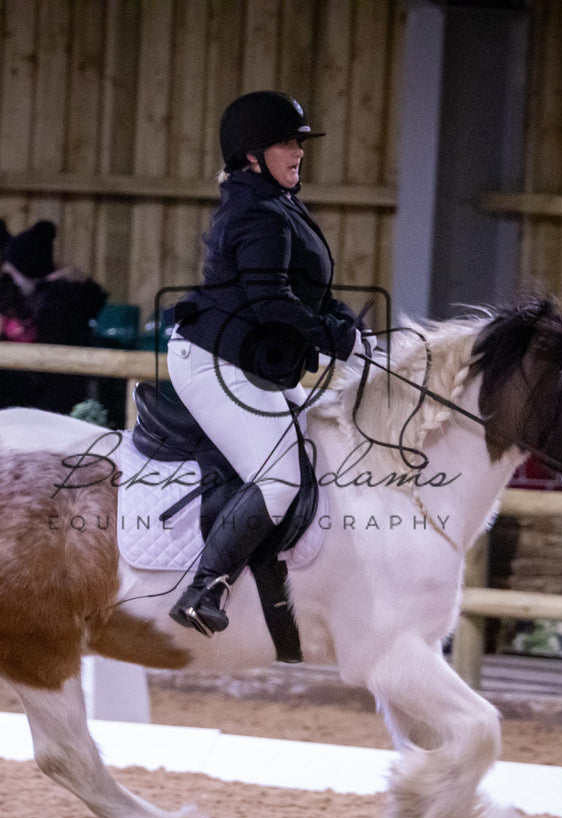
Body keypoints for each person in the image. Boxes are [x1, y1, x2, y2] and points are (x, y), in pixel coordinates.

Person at [166, 90, 367, 635]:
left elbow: (308, 292)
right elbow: (270, 301)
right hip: (215, 362)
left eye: (299, 141)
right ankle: (203, 586)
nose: (299, 151)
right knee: (278, 478)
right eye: (286, 142)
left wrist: (355, 331)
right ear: (252, 154)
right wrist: (336, 340)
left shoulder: (278, 201)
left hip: (252, 361)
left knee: (328, 434)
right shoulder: (256, 211)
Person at [0, 219, 109, 414]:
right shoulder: (34, 297)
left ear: (29, 271)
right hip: (39, 394)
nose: (11, 277)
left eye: (15, 272)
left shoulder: (59, 303)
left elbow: (46, 363)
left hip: (52, 400)